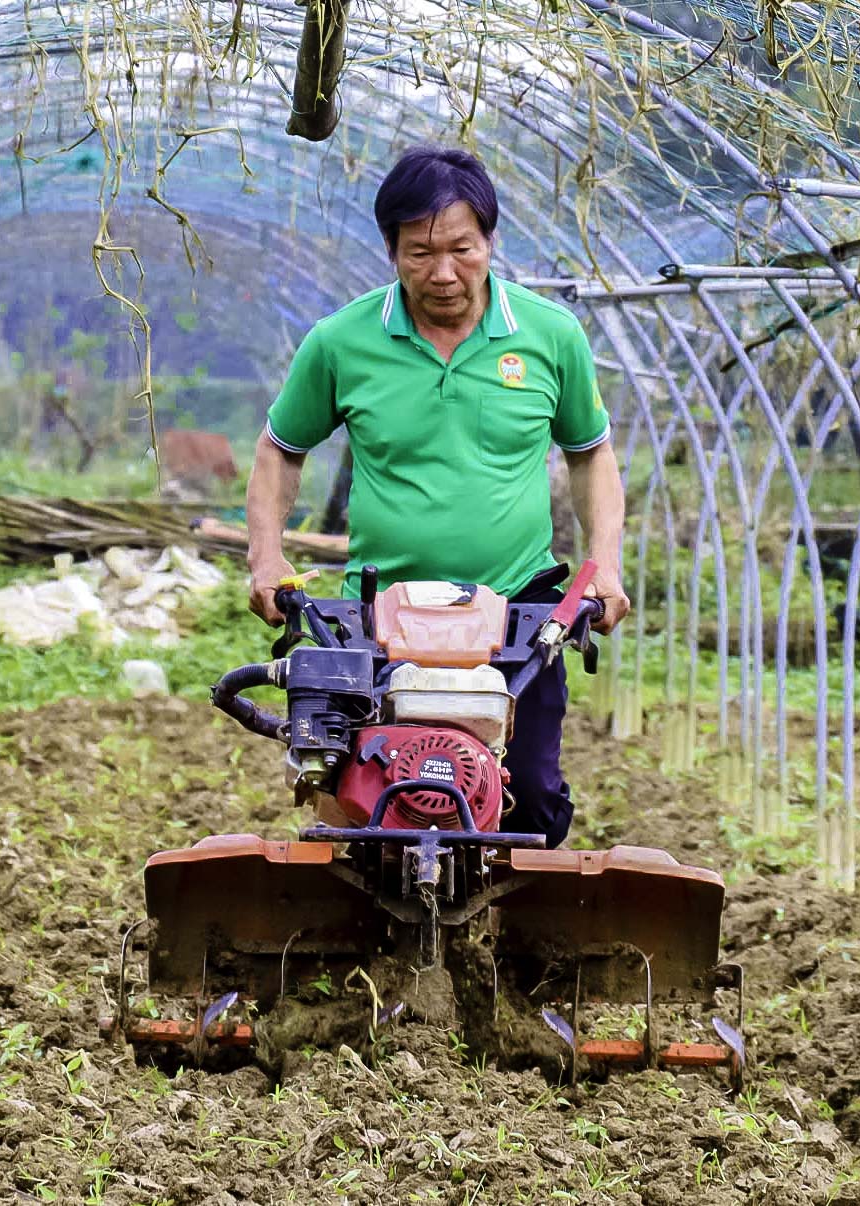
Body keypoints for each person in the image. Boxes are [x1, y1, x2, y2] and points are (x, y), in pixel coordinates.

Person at [243, 144, 630, 849]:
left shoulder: (549, 337)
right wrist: (265, 558)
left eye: (461, 248)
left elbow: (591, 453)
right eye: (419, 252)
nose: (443, 273)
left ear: (490, 240)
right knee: (359, 792)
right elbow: (280, 450)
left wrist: (603, 563)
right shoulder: (341, 341)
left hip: (518, 616)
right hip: (380, 612)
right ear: (390, 248)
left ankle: (504, 950)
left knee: (530, 797)